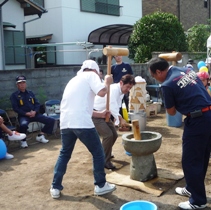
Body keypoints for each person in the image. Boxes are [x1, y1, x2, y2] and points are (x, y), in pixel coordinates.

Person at [148, 57, 211, 210]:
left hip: (198, 120)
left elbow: (171, 112)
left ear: (159, 71)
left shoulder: (167, 85)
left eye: (154, 76)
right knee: (202, 157)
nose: (156, 79)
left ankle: (198, 201)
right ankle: (191, 187)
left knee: (191, 161)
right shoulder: (186, 70)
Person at [50, 60, 116, 199]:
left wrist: (100, 114)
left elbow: (82, 107)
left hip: (66, 123)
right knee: (98, 153)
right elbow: (102, 92)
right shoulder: (91, 76)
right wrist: (107, 82)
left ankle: (55, 187)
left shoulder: (74, 80)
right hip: (82, 123)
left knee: (64, 153)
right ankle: (100, 185)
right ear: (95, 70)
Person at [93, 74, 135, 170]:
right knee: (108, 135)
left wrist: (118, 119)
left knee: (114, 135)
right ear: (121, 83)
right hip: (96, 114)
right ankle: (104, 161)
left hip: (106, 114)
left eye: (130, 88)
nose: (128, 89)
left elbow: (117, 106)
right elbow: (112, 105)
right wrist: (120, 119)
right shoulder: (113, 89)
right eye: (127, 87)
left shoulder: (121, 92)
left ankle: (105, 153)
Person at [10, 76, 55, 148]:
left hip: (34, 114)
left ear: (26, 84)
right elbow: (16, 108)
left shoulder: (30, 93)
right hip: (24, 116)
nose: (22, 84)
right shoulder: (14, 95)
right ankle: (23, 140)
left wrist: (34, 111)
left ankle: (40, 135)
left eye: (23, 83)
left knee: (51, 120)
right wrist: (25, 113)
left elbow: (37, 104)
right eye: (20, 83)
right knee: (23, 125)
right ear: (17, 85)